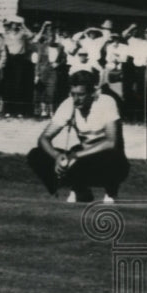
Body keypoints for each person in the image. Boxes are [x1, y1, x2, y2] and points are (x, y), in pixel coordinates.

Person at [26, 69, 129, 204]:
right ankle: (81, 190)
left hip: (110, 160)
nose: (76, 99)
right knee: (35, 155)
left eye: (81, 95)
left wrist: (75, 156)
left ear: (93, 93)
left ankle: (111, 192)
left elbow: (111, 142)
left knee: (109, 155)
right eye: (73, 94)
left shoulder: (106, 102)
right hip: (84, 157)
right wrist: (56, 156)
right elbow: (44, 138)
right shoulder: (69, 104)